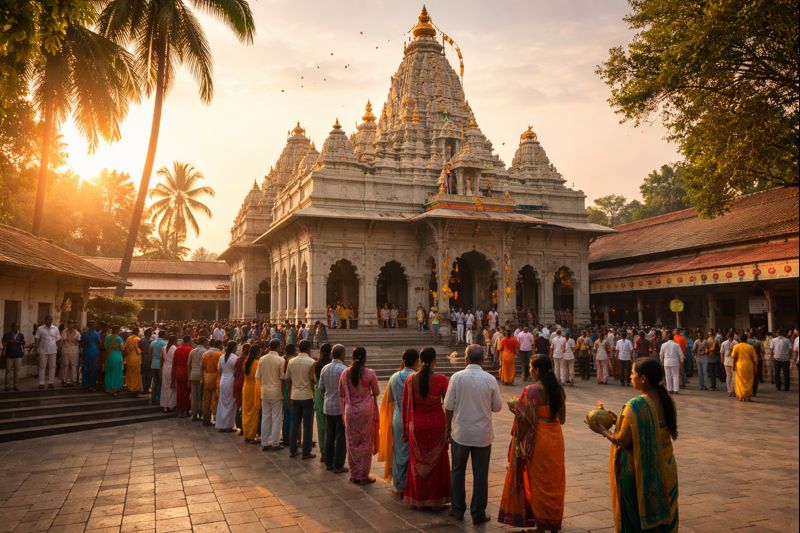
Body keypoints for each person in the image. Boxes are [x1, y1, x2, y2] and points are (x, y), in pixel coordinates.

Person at [588, 358, 679, 533]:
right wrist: (618, 421)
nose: (630, 377)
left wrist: (603, 431)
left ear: (643, 378)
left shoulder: (636, 405)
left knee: (635, 519)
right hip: (665, 468)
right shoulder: (666, 401)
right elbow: (646, 428)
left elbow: (622, 440)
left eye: (632, 373)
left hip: (640, 471)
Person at [498, 355, 566, 531]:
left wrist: (518, 440)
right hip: (556, 439)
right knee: (554, 482)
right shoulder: (558, 390)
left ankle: (541, 527)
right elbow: (562, 419)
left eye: (530, 367)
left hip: (539, 441)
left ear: (537, 370)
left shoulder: (531, 391)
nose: (529, 370)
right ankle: (553, 522)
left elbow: (525, 421)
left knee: (539, 483)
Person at [444, 344, 502, 524]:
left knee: (457, 472)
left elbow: (448, 406)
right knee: (480, 475)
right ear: (483, 360)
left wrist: (447, 429)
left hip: (460, 433)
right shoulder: (490, 380)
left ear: (466, 359)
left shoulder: (457, 377)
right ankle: (478, 513)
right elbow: (497, 407)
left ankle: (457, 509)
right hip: (482, 435)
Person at [403, 347, 450, 510]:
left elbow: (406, 406)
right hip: (436, 425)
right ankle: (435, 501)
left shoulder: (410, 379)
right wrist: (450, 428)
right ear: (434, 360)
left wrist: (405, 429)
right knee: (437, 465)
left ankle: (419, 500)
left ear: (420, 360)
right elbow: (449, 404)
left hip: (416, 426)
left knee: (417, 463)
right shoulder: (441, 379)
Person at [379, 348, 419, 497]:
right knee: (412, 451)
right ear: (417, 361)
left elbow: (390, 398)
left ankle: (399, 485)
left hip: (397, 418)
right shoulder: (416, 377)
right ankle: (411, 485)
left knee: (398, 451)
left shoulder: (395, 377)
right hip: (413, 418)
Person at [338, 346, 380, 484]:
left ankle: (354, 474)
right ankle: (363, 476)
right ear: (365, 358)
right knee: (366, 443)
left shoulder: (345, 373)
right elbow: (376, 392)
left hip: (350, 411)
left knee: (352, 442)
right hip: (366, 411)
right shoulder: (369, 373)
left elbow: (341, 393)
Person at [319, 344, 348, 473]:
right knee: (340, 436)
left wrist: (328, 396)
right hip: (340, 407)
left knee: (329, 435)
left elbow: (321, 388)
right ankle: (338, 464)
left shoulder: (325, 368)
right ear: (341, 355)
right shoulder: (344, 369)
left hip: (328, 405)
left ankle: (329, 462)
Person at [287, 339, 316, 459]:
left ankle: (293, 449)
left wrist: (289, 394)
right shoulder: (311, 362)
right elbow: (313, 380)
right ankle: (306, 451)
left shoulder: (291, 361)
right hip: (307, 396)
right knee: (307, 425)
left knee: (294, 424)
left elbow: (288, 379)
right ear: (308, 349)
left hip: (295, 395)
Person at [256, 339, 285, 450]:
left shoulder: (262, 359)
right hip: (276, 392)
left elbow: (257, 376)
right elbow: (282, 376)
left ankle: (265, 442)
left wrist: (261, 389)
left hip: (265, 391)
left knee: (266, 417)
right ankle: (275, 442)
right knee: (277, 418)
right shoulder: (280, 360)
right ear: (278, 347)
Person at [312, 343, 333, 463]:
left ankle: (323, 452)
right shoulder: (331, 365)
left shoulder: (316, 365)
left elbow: (314, 380)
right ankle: (332, 451)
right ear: (330, 353)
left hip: (319, 395)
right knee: (332, 426)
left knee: (321, 425)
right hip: (331, 395)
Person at [216, 341, 238, 431]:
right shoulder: (234, 357)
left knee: (222, 402)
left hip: (223, 380)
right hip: (230, 381)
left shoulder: (221, 357)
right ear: (233, 348)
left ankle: (221, 425)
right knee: (230, 403)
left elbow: (219, 370)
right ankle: (228, 425)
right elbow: (236, 371)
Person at [241, 344, 261, 442]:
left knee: (246, 411)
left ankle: (246, 433)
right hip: (254, 388)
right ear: (257, 353)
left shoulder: (246, 362)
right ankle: (251, 435)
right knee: (254, 412)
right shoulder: (257, 363)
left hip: (246, 387)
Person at [35, 315, 60, 389]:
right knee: (42, 367)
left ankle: (51, 382)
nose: (49, 321)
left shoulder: (55, 328)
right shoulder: (40, 328)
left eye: (51, 319)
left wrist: (58, 348)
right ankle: (41, 383)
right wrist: (37, 349)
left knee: (52, 367)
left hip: (53, 350)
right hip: (43, 350)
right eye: (48, 319)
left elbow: (58, 339)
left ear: (52, 320)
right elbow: (36, 338)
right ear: (45, 320)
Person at [201, 340, 223, 426]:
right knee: (215, 399)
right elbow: (221, 368)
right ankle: (216, 417)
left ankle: (206, 419)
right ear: (219, 345)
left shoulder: (205, 354)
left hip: (207, 377)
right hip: (216, 377)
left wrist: (203, 379)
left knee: (206, 399)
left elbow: (202, 367)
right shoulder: (220, 354)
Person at [732, 333, 758, 402]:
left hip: (739, 366)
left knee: (740, 381)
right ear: (746, 339)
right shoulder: (751, 347)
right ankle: (748, 397)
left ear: (740, 339)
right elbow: (755, 359)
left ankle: (741, 396)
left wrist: (733, 365)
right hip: (749, 366)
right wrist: (755, 368)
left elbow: (734, 357)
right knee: (749, 381)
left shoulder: (736, 346)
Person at [187, 337, 208, 421]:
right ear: (204, 342)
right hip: (201, 375)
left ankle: (194, 414)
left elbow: (188, 365)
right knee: (200, 396)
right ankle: (200, 413)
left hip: (193, 374)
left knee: (194, 396)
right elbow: (205, 366)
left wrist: (188, 377)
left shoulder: (192, 351)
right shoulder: (205, 351)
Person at [173, 336, 192, 417]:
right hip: (186, 372)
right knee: (187, 392)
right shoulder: (190, 350)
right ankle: (186, 410)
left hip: (178, 371)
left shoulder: (177, 349)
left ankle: (180, 410)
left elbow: (174, 363)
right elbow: (190, 364)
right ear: (189, 341)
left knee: (179, 392)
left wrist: (173, 375)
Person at [2, 322, 25, 391]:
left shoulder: (21, 335)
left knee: (17, 371)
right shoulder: (7, 335)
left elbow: (23, 343)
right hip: (9, 355)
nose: (16, 328)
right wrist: (9, 342)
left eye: (17, 326)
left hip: (18, 355)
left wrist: (18, 342)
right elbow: (3, 343)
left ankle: (16, 385)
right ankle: (7, 386)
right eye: (15, 326)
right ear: (12, 327)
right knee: (8, 371)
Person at [103, 325, 124, 396]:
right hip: (117, 356)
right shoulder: (119, 338)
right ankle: (114, 388)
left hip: (109, 356)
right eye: (119, 330)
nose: (120, 331)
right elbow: (122, 348)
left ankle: (108, 388)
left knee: (109, 372)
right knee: (116, 372)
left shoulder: (107, 337)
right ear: (117, 330)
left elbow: (105, 347)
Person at [80, 321, 101, 391]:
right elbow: (99, 343)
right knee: (93, 369)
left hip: (87, 351)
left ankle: (86, 384)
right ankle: (91, 384)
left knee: (86, 368)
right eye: (94, 324)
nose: (95, 326)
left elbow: (82, 343)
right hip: (94, 352)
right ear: (91, 325)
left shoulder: (84, 333)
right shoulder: (96, 334)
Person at [59, 320, 80, 387]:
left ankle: (73, 380)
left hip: (74, 350)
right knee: (65, 365)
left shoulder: (77, 332)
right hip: (65, 350)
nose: (71, 325)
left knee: (74, 365)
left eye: (72, 323)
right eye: (70, 323)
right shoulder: (64, 331)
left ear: (74, 324)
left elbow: (77, 341)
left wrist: (71, 341)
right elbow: (63, 340)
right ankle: (64, 380)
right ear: (68, 324)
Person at [160, 335, 178, 412]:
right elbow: (175, 361)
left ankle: (165, 405)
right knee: (172, 387)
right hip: (172, 368)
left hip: (165, 368)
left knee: (165, 387)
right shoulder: (175, 348)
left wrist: (160, 370)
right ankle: (171, 405)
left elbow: (161, 359)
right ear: (174, 340)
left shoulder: (164, 347)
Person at [149, 331, 167, 404]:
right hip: (160, 365)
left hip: (153, 364)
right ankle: (158, 398)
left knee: (155, 382)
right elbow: (164, 355)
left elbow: (150, 354)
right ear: (163, 335)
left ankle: (153, 398)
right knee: (160, 382)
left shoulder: (152, 342)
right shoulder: (164, 343)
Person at [123, 327, 143, 394]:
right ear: (137, 332)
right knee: (136, 374)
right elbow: (138, 351)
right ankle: (134, 388)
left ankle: (129, 386)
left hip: (129, 358)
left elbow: (125, 348)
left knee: (129, 373)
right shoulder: (137, 339)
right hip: (136, 359)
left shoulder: (128, 338)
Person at [721, 332, 737, 397]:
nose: (730, 338)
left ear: (733, 337)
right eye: (729, 337)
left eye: (731, 337)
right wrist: (722, 360)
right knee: (728, 376)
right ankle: (729, 390)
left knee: (734, 376)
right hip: (727, 360)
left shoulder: (736, 343)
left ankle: (733, 390)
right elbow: (721, 352)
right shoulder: (724, 343)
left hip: (733, 360)